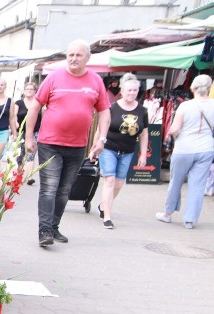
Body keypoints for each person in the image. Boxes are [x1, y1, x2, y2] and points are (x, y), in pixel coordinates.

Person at [25, 39, 111, 247]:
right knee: (49, 188)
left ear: (87, 58)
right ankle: (44, 230)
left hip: (78, 145)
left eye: (78, 55)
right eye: (70, 55)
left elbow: (104, 112)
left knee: (65, 190)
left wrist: (101, 138)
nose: (73, 59)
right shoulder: (54, 78)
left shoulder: (96, 81)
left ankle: (54, 226)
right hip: (50, 143)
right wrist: (29, 137)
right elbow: (34, 108)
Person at [155, 74, 214, 229]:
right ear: (209, 88)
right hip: (206, 149)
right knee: (198, 185)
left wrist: (173, 135)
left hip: (184, 149)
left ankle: (168, 213)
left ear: (193, 87)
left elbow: (174, 129)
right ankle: (190, 220)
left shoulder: (185, 106)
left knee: (176, 182)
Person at [98, 73, 148, 229]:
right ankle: (107, 216)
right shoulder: (112, 107)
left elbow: (144, 133)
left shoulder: (142, 111)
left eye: (134, 90)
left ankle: (103, 205)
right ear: (122, 90)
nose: (132, 93)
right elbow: (101, 127)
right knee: (110, 180)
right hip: (109, 148)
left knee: (119, 183)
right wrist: (96, 146)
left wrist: (143, 154)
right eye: (129, 90)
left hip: (127, 150)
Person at [15, 82, 42, 185]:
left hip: (35, 132)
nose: (29, 91)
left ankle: (30, 176)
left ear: (35, 91)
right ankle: (19, 174)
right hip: (21, 132)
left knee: (31, 153)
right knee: (20, 154)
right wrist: (15, 124)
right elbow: (14, 116)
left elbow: (42, 117)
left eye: (31, 89)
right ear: (24, 91)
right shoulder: (18, 103)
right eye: (27, 89)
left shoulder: (38, 103)